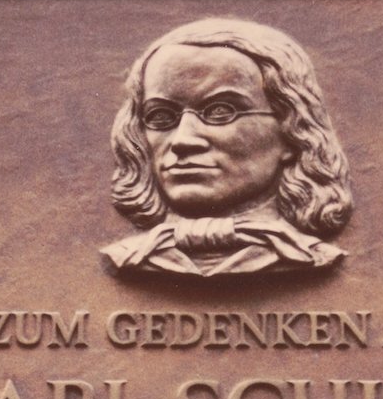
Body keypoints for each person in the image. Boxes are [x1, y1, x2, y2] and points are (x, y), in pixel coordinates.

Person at [100, 17, 353, 277]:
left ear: (293, 130)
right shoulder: (126, 256)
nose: (183, 141)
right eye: (161, 116)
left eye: (221, 111)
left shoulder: (309, 255)